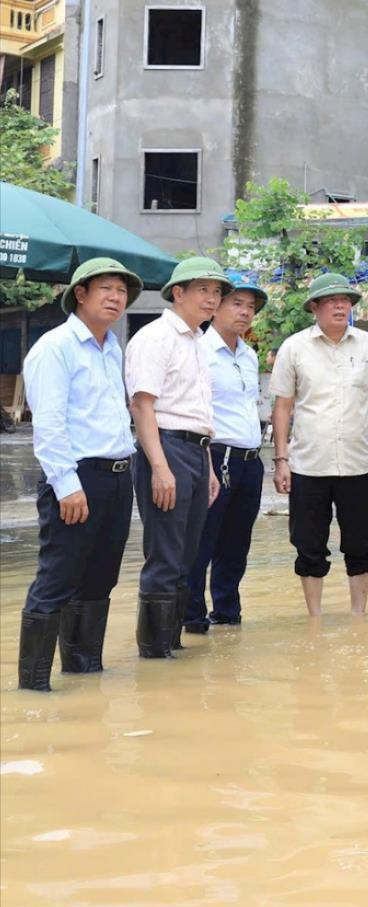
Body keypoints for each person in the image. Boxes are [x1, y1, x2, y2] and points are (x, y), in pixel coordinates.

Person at [17, 259, 141, 689]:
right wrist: (66, 484)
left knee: (100, 579)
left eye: (122, 291)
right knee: (57, 578)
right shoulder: (56, 347)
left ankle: (84, 673)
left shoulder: (112, 348)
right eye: (105, 288)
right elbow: (48, 425)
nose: (115, 297)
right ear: (81, 294)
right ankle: (34, 687)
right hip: (76, 478)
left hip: (117, 476)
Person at [269, 272, 368, 618]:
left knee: (360, 543)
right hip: (308, 465)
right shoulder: (294, 348)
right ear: (315, 307)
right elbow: (282, 407)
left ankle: (358, 616)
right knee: (308, 546)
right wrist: (281, 460)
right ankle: (315, 618)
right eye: (332, 300)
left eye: (346, 301)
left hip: (358, 464)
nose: (341, 306)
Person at [125, 257, 225, 658]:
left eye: (216, 291)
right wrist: (160, 467)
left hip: (197, 452)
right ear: (178, 293)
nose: (212, 298)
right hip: (165, 448)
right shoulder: (156, 337)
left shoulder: (199, 341)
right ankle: (154, 654)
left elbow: (199, 412)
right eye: (203, 289)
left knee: (188, 554)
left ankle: (172, 645)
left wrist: (211, 468)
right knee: (165, 554)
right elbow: (142, 405)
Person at [183, 273, 268, 635]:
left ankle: (228, 612)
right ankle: (192, 616)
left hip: (250, 459)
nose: (245, 312)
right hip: (214, 456)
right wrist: (207, 465)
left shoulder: (249, 355)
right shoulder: (198, 350)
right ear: (216, 307)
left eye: (251, 307)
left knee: (237, 542)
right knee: (203, 540)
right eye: (237, 303)